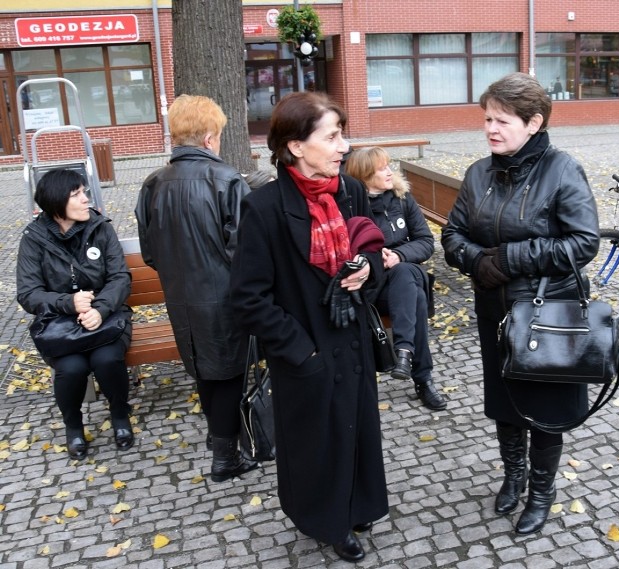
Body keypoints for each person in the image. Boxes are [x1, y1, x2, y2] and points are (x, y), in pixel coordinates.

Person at [229, 92, 389, 563]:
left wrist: (367, 271)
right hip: (307, 351)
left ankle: (359, 506)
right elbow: (247, 298)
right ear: (296, 146)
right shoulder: (264, 209)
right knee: (319, 441)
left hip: (353, 339)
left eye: (343, 134)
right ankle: (330, 522)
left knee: (357, 429)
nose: (344, 146)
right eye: (332, 136)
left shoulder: (350, 191)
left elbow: (371, 247)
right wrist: (301, 350)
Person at [441, 72, 600, 535]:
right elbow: (452, 233)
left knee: (546, 411)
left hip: (547, 314)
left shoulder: (562, 169)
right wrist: (476, 261)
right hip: (496, 311)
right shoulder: (478, 173)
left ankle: (542, 491)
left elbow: (583, 242)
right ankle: (513, 475)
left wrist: (511, 258)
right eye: (487, 118)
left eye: (502, 120)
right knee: (506, 401)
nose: (491, 128)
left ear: (533, 122)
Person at [135, 95, 258, 482]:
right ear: (209, 137)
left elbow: (150, 252)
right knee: (226, 372)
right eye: (218, 134)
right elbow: (246, 251)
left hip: (181, 297)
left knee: (205, 370)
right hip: (222, 297)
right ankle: (225, 457)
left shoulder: (153, 183)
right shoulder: (226, 180)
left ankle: (217, 435)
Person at [17, 169, 134, 459]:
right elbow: (28, 294)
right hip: (60, 325)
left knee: (107, 359)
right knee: (72, 369)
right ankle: (74, 427)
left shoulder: (100, 227)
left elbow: (120, 278)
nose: (86, 200)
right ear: (57, 204)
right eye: (77, 195)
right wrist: (68, 302)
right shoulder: (33, 238)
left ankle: (120, 416)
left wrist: (100, 308)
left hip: (106, 319)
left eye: (84, 192)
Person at [344, 147, 447, 411]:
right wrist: (377, 258)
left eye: (388, 165)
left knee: (405, 275)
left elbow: (426, 242)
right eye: (381, 168)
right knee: (417, 298)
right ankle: (419, 373)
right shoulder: (352, 207)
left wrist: (399, 255)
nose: (390, 171)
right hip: (372, 286)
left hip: (404, 277)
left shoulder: (402, 198)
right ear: (364, 176)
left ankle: (404, 354)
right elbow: (346, 252)